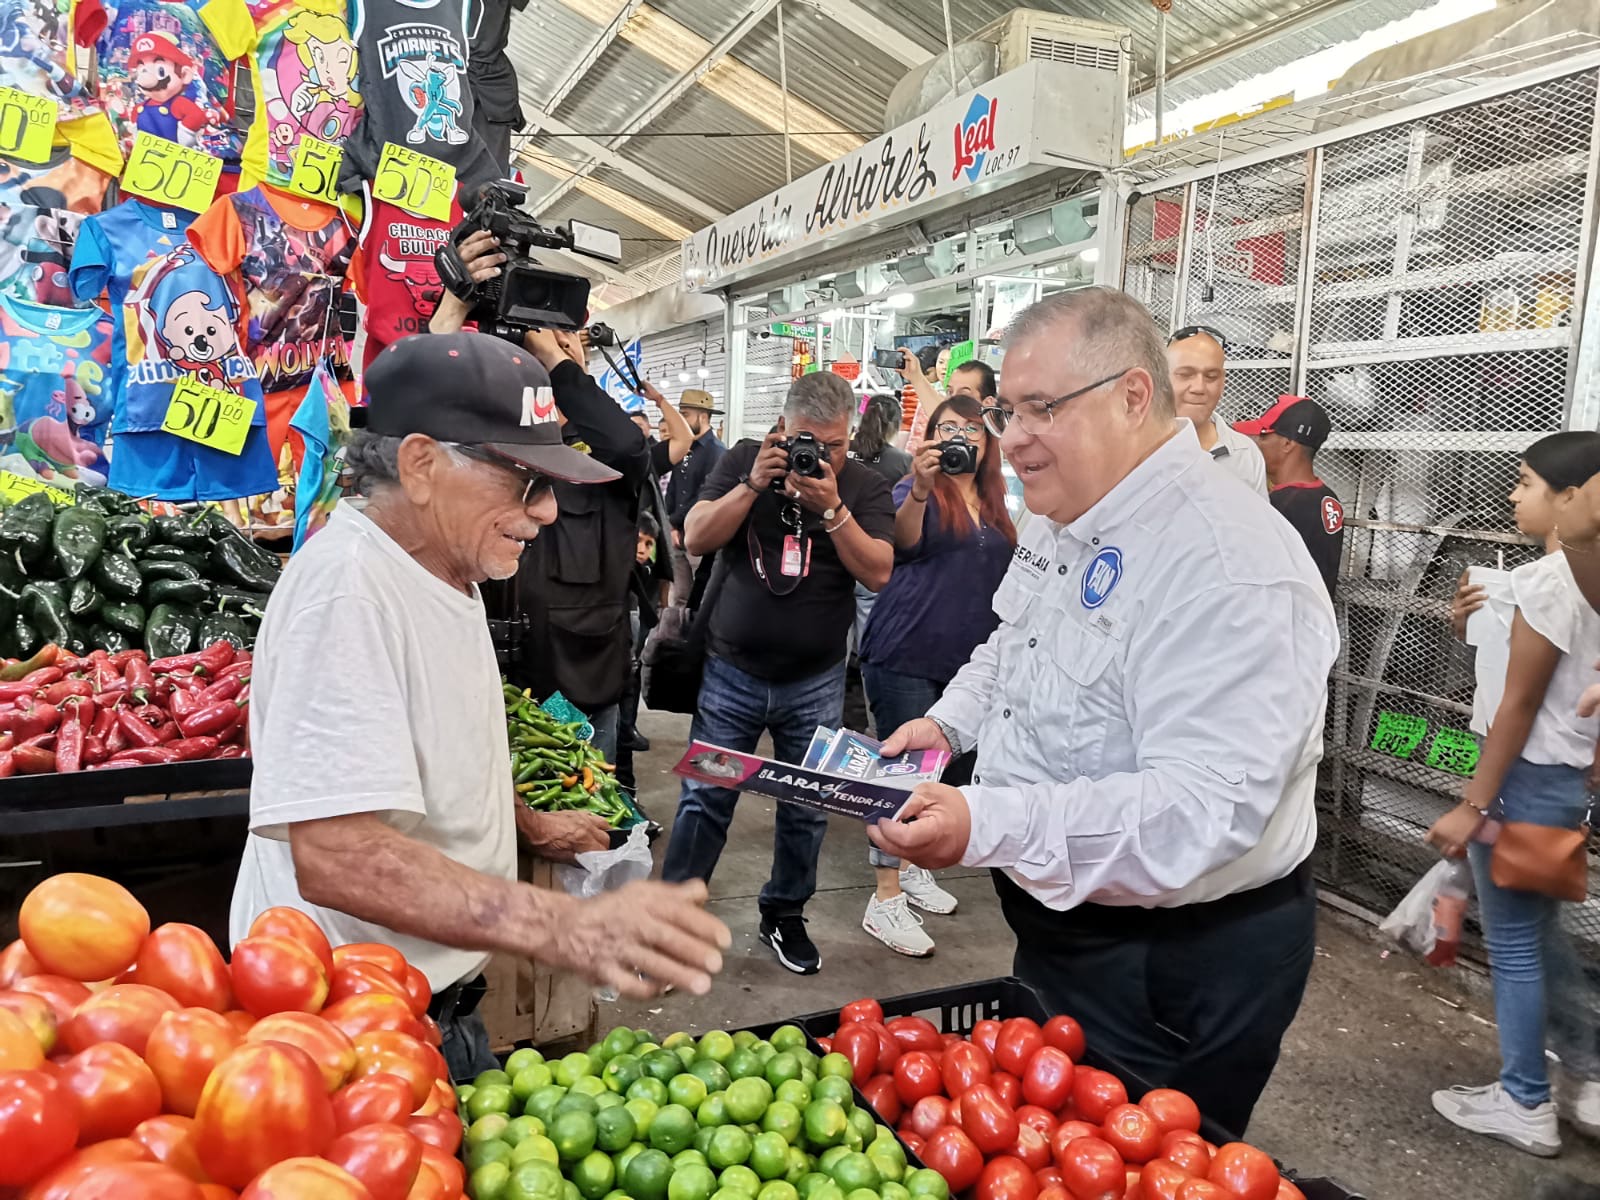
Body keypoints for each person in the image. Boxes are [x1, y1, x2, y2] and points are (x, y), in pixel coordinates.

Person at [868, 287, 1337, 1134]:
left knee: (1141, 1160)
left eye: (1041, 409)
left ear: (1131, 395)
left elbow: (1198, 810)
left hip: (1174, 964)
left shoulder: (1226, 563)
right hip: (1067, 927)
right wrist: (949, 725)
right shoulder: (1067, 512)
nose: (1011, 439)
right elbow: (1013, 646)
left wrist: (982, 822)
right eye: (1009, 411)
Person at [228, 332, 731, 1080]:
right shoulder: (348, 593)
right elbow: (336, 855)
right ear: (422, 465)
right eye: (527, 482)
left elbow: (439, 754)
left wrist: (527, 825)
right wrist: (568, 926)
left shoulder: (448, 572)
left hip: (421, 999)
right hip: (346, 1026)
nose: (551, 511)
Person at [661, 372, 897, 975]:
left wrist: (835, 511)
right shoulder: (747, 459)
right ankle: (671, 924)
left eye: (835, 446)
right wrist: (750, 486)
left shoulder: (863, 485)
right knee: (704, 800)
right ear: (781, 430)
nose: (820, 456)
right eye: (806, 441)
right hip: (730, 673)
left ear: (850, 439)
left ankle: (784, 916)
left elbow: (879, 573)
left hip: (815, 681)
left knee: (806, 809)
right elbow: (694, 535)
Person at [1424, 432, 1600, 1158]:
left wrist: (1474, 803)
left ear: (1571, 498)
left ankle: (1525, 1096)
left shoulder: (1549, 584)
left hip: (1526, 782)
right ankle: (1587, 1064)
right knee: (1539, 936)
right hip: (1565, 781)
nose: (1513, 494)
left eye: (1526, 483)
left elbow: (1518, 708)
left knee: (1518, 947)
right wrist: (1479, 623)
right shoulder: (1574, 580)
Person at [857, 393, 1016, 957]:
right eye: (948, 427)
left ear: (988, 437)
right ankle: (885, 896)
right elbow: (902, 542)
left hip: (965, 666)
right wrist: (921, 487)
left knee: (944, 781)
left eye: (972, 428)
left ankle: (917, 867)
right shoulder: (916, 488)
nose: (961, 437)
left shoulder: (999, 500)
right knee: (899, 779)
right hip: (905, 652)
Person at [845, 393, 912, 732]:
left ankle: (828, 726)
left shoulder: (845, 452)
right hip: (875, 560)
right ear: (894, 424)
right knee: (871, 653)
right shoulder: (901, 461)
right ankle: (872, 728)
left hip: (837, 556)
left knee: (833, 658)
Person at [1236, 395, 1345, 596]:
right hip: (1315, 618)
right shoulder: (1327, 497)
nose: (1256, 444)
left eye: (1263, 436)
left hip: (1283, 620)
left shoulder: (1279, 506)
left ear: (1287, 444)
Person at [1165, 325, 1267, 495]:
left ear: (1223, 382)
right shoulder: (1135, 446)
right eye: (1185, 374)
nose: (1199, 387)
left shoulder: (1245, 455)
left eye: (1211, 377)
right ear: (1161, 377)